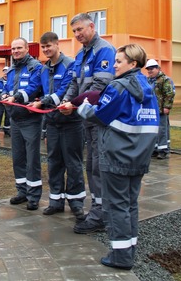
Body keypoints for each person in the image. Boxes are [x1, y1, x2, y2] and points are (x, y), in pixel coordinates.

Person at [75, 43, 158, 270]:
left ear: (133, 63)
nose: (114, 65)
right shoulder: (148, 88)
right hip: (138, 157)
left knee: (116, 207)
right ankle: (129, 249)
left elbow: (99, 115)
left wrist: (82, 107)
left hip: (116, 156)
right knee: (130, 204)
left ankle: (120, 257)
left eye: (119, 61)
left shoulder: (118, 87)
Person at [60, 13, 116, 233]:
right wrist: (67, 100)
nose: (76, 35)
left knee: (98, 166)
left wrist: (73, 104)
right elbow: (75, 83)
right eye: (73, 31)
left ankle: (101, 215)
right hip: (87, 117)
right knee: (92, 165)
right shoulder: (82, 53)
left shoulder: (104, 50)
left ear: (92, 26)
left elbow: (100, 86)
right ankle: (98, 211)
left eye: (79, 30)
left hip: (99, 119)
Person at [30, 32, 86, 219]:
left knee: (74, 163)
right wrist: (20, 97)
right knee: (54, 162)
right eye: (43, 47)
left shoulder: (71, 65)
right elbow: (36, 88)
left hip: (72, 122)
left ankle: (76, 202)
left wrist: (43, 101)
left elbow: (67, 89)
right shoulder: (44, 69)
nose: (46, 49)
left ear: (57, 44)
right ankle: (56, 201)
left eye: (49, 46)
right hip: (53, 123)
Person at [1, 37, 43, 211]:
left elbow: (35, 88)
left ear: (27, 49)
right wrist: (3, 96)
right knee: (18, 157)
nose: (15, 51)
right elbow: (5, 88)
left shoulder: (35, 67)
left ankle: (34, 196)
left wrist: (16, 98)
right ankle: (22, 191)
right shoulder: (11, 70)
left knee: (32, 158)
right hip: (15, 119)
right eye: (13, 49)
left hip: (30, 119)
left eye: (19, 48)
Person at [146, 59, 175, 159]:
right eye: (148, 69)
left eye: (152, 69)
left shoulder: (165, 80)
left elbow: (169, 94)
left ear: (158, 68)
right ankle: (155, 149)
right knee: (154, 130)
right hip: (152, 110)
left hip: (161, 110)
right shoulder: (148, 80)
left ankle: (163, 150)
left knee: (162, 130)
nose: (150, 71)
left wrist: (167, 106)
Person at [0, 67, 11, 136]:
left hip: (8, 101)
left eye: (7, 73)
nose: (5, 74)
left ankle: (7, 130)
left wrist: (8, 97)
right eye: (4, 73)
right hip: (0, 101)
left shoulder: (11, 81)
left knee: (8, 115)